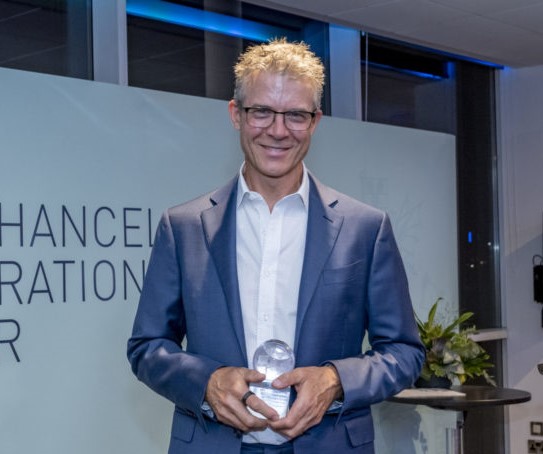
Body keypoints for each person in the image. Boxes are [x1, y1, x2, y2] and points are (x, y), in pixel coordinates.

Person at [127, 38, 425, 454]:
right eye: (262, 111)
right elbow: (147, 347)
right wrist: (207, 382)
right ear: (236, 114)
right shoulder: (184, 227)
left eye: (296, 115)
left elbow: (404, 353)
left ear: (315, 121)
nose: (278, 131)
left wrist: (335, 380)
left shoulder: (365, 228)